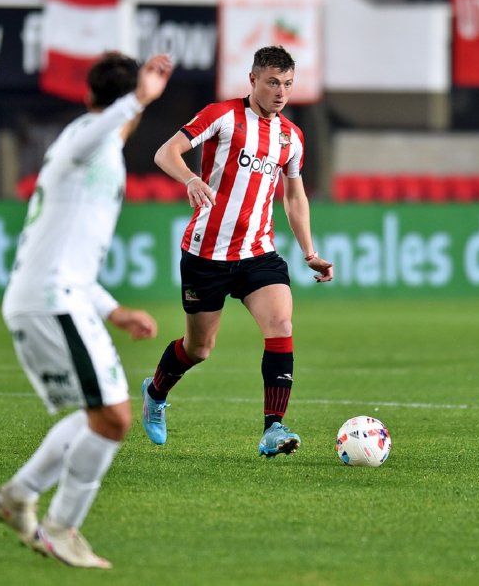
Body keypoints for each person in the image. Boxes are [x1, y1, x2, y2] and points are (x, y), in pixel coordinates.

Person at [0, 52, 173, 569]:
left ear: (88, 94)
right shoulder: (86, 138)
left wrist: (113, 310)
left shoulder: (97, 149)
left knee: (103, 413)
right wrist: (138, 99)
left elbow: (73, 257)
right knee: (112, 418)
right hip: (50, 300)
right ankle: (60, 529)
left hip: (61, 294)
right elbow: (99, 129)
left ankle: (18, 497)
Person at [139, 45, 333, 457]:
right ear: (252, 80)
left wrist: (309, 251)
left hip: (258, 253)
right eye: (273, 82)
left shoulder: (291, 137)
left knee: (280, 324)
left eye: (288, 84)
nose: (281, 92)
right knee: (199, 349)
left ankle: (273, 428)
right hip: (206, 255)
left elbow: (294, 197)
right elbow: (165, 152)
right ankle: (155, 393)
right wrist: (191, 179)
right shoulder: (222, 115)